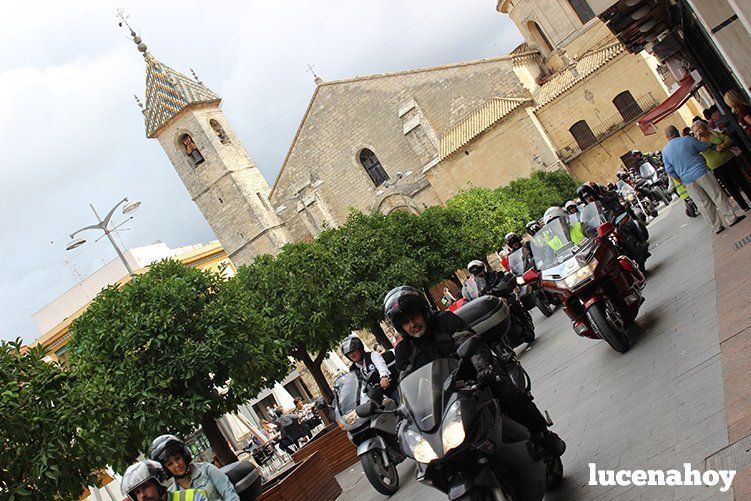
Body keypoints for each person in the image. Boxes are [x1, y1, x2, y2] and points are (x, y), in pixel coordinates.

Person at [386, 285, 565, 456]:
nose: (412, 324)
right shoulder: (404, 350)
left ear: (423, 312)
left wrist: (484, 369)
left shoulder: (445, 321)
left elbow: (471, 344)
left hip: (475, 378)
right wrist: (405, 412)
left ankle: (542, 434)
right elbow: (406, 382)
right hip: (443, 398)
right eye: (405, 323)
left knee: (509, 393)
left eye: (414, 317)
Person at [662, 125, 744, 234]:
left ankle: (717, 227)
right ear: (677, 132)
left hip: (687, 180)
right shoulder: (687, 140)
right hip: (702, 172)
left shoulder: (665, 152)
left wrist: (681, 182)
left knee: (703, 204)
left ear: (667, 137)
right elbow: (704, 147)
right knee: (717, 195)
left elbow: (670, 171)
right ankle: (731, 219)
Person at [148, 435, 239, 501]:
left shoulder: (207, 470)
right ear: (165, 469)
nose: (176, 465)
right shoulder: (172, 494)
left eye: (178, 458)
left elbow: (230, 495)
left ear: (184, 456)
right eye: (170, 464)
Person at [692, 120, 751, 211]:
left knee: (742, 180)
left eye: (700, 128)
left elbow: (728, 139)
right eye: (696, 130)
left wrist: (722, 146)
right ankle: (743, 206)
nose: (699, 131)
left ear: (704, 127)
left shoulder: (714, 133)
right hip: (717, 166)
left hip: (729, 159)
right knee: (730, 187)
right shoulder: (698, 143)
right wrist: (700, 139)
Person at [341, 335, 397, 403]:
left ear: (360, 349)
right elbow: (354, 385)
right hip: (375, 397)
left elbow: (381, 366)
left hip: (391, 389)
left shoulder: (373, 355)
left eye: (353, 351)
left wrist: (384, 377)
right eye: (349, 353)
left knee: (399, 401)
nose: (352, 355)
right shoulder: (353, 369)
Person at [122, 460, 210, 501]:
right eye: (137, 492)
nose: (142, 496)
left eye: (146, 486)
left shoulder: (192, 498)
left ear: (159, 485)